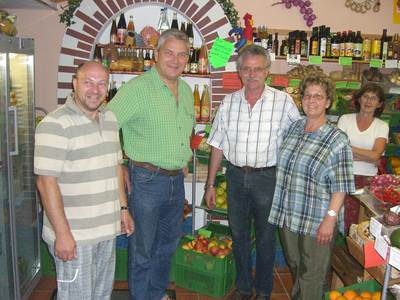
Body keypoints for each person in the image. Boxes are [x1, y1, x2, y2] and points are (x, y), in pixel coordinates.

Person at [204, 44, 301, 300]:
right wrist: (210, 185)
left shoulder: (283, 102)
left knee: (267, 238)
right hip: (235, 177)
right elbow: (217, 145)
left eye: (258, 69)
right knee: (239, 236)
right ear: (239, 71)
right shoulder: (228, 102)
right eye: (246, 69)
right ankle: (245, 289)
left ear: (267, 71)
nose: (252, 74)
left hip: (268, 179)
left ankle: (264, 291)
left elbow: (300, 139)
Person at [34, 61, 134, 300]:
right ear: (75, 83)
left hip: (105, 230)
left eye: (102, 83)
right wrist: (62, 233)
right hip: (75, 235)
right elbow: (45, 182)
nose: (95, 89)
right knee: (75, 296)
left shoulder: (110, 118)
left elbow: (116, 167)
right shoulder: (55, 124)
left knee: (101, 294)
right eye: (88, 82)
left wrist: (123, 209)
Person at [108, 29, 194, 300]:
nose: (175, 59)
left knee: (167, 247)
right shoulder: (137, 89)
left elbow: (182, 131)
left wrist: (182, 159)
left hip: (175, 181)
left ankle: (155, 295)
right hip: (146, 181)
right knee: (143, 250)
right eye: (169, 52)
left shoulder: (187, 90)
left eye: (182, 54)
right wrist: (120, 163)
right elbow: (106, 126)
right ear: (156, 54)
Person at [268, 74, 355, 300]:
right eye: (307, 95)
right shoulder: (294, 129)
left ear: (327, 102)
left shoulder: (338, 139)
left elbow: (342, 184)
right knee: (296, 267)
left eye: (318, 96)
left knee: (312, 275)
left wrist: (330, 218)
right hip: (289, 215)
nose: (312, 100)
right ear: (301, 100)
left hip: (317, 218)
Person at [337, 83, 389, 232]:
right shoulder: (345, 119)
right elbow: (337, 149)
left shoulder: (381, 126)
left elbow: (376, 155)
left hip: (368, 180)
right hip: (344, 175)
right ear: (359, 99)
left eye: (374, 98)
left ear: (379, 104)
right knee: (341, 217)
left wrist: (349, 149)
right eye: (365, 96)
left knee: (361, 222)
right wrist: (368, 155)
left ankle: (356, 251)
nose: (368, 101)